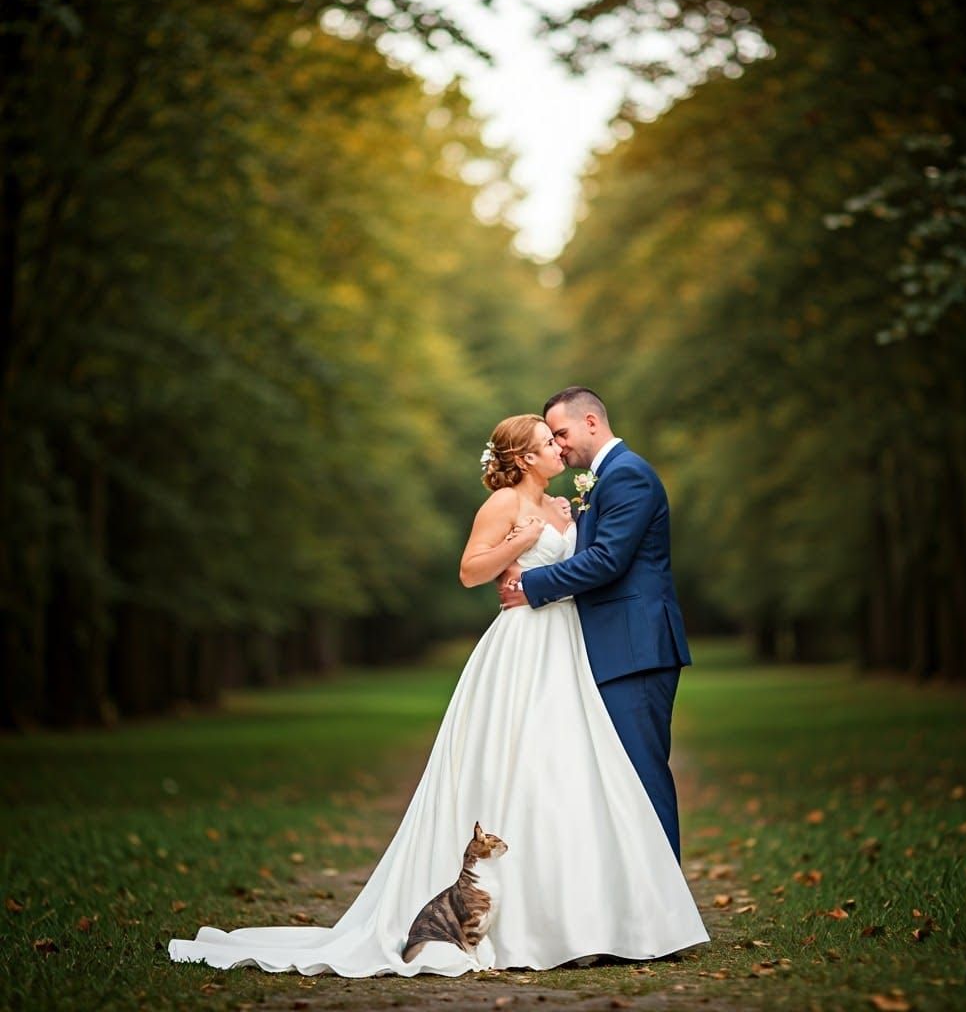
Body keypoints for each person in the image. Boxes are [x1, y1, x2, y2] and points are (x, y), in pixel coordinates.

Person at [168, 414, 707, 977]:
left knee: (570, 770)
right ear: (523, 458)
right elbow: (471, 573)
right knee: (516, 765)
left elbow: (596, 565)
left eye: (558, 438)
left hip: (569, 645)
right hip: (523, 644)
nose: (560, 450)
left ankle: (589, 916)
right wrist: (520, 545)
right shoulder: (503, 506)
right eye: (549, 443)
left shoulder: (568, 508)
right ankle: (515, 920)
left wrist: (552, 544)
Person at [499, 387, 691, 860]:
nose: (559, 445)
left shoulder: (628, 476)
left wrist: (532, 583)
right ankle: (635, 904)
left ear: (591, 422)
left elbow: (607, 560)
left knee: (641, 774)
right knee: (619, 780)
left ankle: (663, 912)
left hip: (636, 648)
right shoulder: (604, 481)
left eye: (561, 433)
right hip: (613, 648)